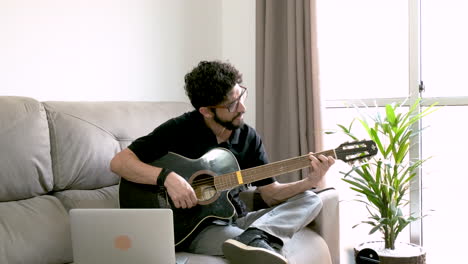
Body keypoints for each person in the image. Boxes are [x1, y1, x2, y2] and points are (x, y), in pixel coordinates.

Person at [110, 60, 335, 264]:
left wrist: (309, 181)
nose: (243, 108)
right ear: (207, 111)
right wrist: (167, 178)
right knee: (265, 256)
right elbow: (120, 162)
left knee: (312, 200)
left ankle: (256, 236)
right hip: (194, 229)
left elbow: (270, 194)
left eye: (241, 96)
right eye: (232, 105)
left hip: (237, 220)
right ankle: (257, 240)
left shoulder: (248, 138)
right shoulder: (180, 129)